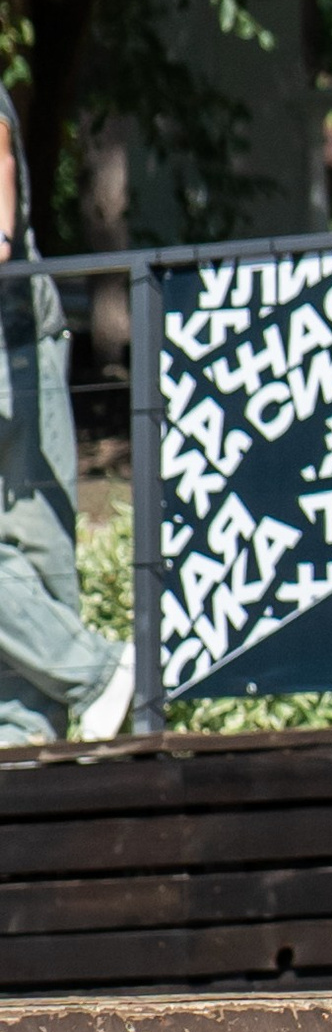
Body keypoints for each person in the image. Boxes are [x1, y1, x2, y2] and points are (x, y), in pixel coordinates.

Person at [0, 90, 133, 745]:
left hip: (17, 348)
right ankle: (47, 714)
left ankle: (39, 723)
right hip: (21, 344)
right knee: (26, 553)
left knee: (36, 549)